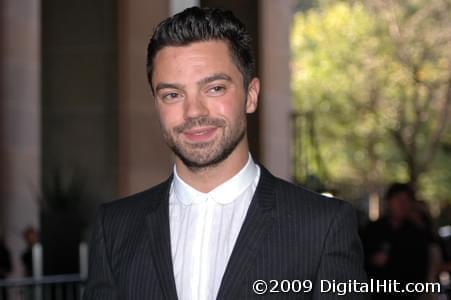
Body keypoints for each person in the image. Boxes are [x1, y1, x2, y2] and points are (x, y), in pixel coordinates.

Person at [83, 7, 367, 300]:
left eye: (215, 88)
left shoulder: (322, 227)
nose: (193, 111)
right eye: (172, 95)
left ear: (251, 95)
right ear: (156, 104)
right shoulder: (115, 227)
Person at [361, 183, 430, 300]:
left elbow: (421, 268)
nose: (402, 205)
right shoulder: (372, 230)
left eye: (406, 201)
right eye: (398, 200)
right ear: (388, 201)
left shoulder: (416, 233)